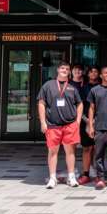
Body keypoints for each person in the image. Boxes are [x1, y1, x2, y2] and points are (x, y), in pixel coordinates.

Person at [37, 61, 83, 189]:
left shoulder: (72, 87)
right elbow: (41, 103)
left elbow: (80, 104)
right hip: (53, 124)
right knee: (53, 152)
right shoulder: (48, 85)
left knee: (70, 152)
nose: (65, 70)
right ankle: (52, 178)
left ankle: (71, 177)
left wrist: (78, 121)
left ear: (69, 72)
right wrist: (42, 122)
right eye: (62, 68)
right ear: (57, 70)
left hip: (69, 124)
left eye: (67, 69)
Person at [77, 65, 100, 185]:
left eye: (96, 72)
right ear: (88, 74)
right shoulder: (83, 88)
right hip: (85, 121)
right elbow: (79, 106)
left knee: (97, 149)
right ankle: (86, 174)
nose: (94, 74)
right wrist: (87, 121)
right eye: (91, 72)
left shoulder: (103, 87)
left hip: (99, 122)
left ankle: (96, 173)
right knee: (87, 148)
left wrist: (96, 120)